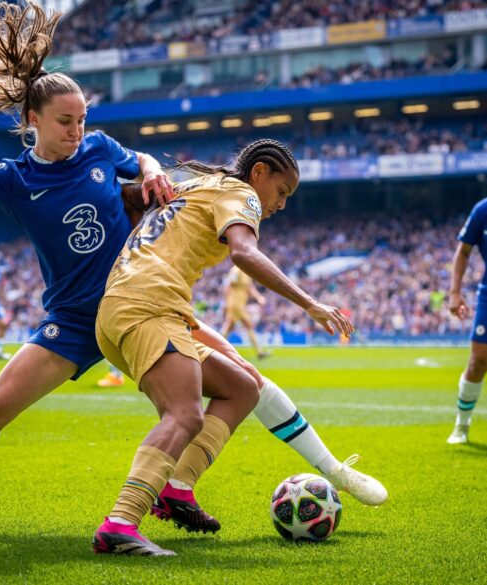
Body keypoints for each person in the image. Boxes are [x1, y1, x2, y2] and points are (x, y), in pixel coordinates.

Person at [0, 1, 173, 526]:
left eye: (82, 120)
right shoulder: (14, 177)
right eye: (65, 121)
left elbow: (139, 161)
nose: (77, 130)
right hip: (72, 321)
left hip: (135, 305)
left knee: (220, 389)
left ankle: (187, 492)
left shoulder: (98, 148)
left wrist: (156, 168)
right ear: (33, 120)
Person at [94, 139, 387, 556]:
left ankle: (177, 488)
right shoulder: (240, 191)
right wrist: (310, 303)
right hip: (147, 306)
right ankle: (120, 524)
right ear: (260, 172)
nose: (281, 204)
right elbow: (244, 253)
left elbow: (128, 197)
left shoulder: (198, 182)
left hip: (130, 307)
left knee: (242, 385)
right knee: (184, 414)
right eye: (282, 191)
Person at [447, 198, 487, 444]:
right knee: (479, 361)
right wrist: (454, 292)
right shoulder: (482, 209)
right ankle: (462, 425)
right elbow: (463, 251)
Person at [221, 264, 270, 359]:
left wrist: (259, 297)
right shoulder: (236, 270)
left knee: (229, 327)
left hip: (240, 304)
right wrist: (226, 302)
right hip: (235, 304)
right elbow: (228, 286)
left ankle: (214, 347)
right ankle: (259, 351)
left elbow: (250, 288)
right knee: (248, 325)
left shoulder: (246, 272)